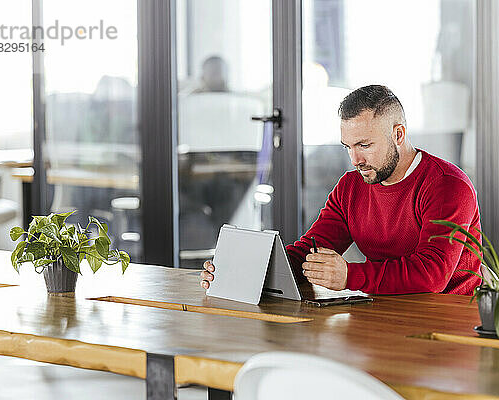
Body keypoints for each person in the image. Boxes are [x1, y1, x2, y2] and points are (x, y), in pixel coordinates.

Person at [201, 85, 482, 295]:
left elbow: (432, 275)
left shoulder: (447, 185)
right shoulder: (350, 187)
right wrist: (242, 270)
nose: (355, 160)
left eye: (365, 145)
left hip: (450, 319)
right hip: (383, 313)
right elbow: (310, 252)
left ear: (398, 134)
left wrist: (350, 276)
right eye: (348, 147)